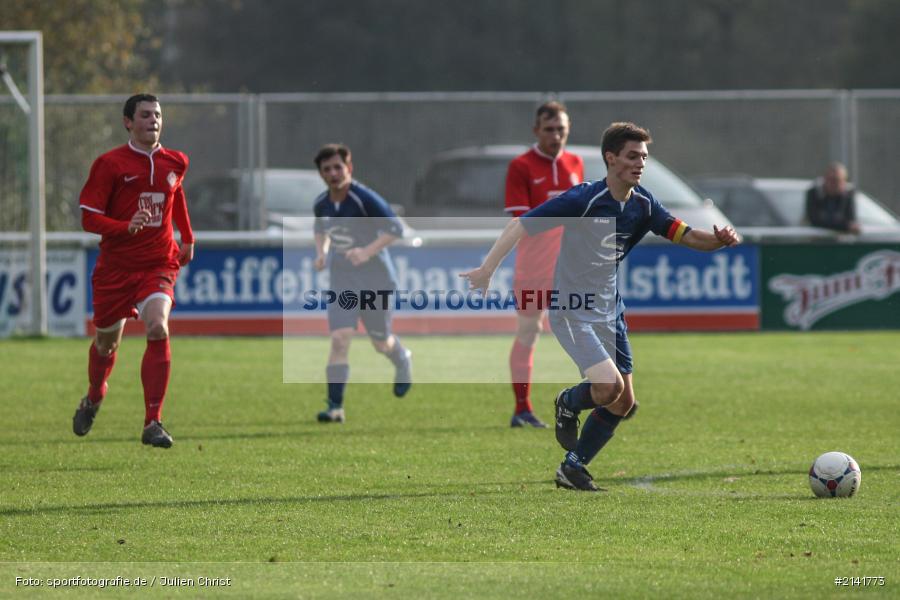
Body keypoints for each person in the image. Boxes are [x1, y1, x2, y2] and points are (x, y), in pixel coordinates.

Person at [462, 122, 740, 491]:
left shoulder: (643, 204)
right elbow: (521, 226)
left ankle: (572, 468)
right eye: (631, 156)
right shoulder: (583, 199)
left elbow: (688, 235)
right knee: (607, 388)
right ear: (611, 159)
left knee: (623, 402)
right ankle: (567, 402)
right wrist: (487, 268)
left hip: (610, 310)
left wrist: (719, 241)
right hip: (572, 308)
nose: (639, 163)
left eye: (643, 156)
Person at [72, 93, 194, 448]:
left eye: (157, 115)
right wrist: (124, 226)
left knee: (158, 327)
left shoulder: (176, 161)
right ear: (128, 122)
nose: (152, 120)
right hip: (116, 269)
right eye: (144, 115)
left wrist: (187, 235)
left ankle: (152, 421)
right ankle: (94, 395)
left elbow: (177, 191)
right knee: (106, 345)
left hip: (158, 263)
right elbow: (88, 218)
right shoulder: (109, 164)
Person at [312, 143, 412, 423]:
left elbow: (396, 228)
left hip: (375, 279)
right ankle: (335, 408)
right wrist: (321, 252)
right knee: (340, 339)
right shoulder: (321, 203)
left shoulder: (363, 198)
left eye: (338, 167)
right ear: (321, 174)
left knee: (380, 343)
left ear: (349, 168)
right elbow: (321, 228)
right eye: (327, 169)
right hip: (342, 279)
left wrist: (365, 252)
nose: (333, 173)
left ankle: (401, 357)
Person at [504, 101, 584, 429]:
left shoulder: (575, 163)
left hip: (571, 268)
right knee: (529, 330)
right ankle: (522, 409)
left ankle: (598, 396)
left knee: (585, 328)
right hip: (533, 268)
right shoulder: (521, 166)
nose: (556, 135)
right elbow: (521, 220)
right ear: (536, 131)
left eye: (561, 129)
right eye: (549, 129)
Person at [805, 162, 860, 233]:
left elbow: (851, 221)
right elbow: (814, 221)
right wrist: (844, 226)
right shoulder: (814, 193)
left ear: (844, 181)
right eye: (830, 179)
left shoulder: (848, 194)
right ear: (824, 179)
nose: (833, 184)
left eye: (837, 180)